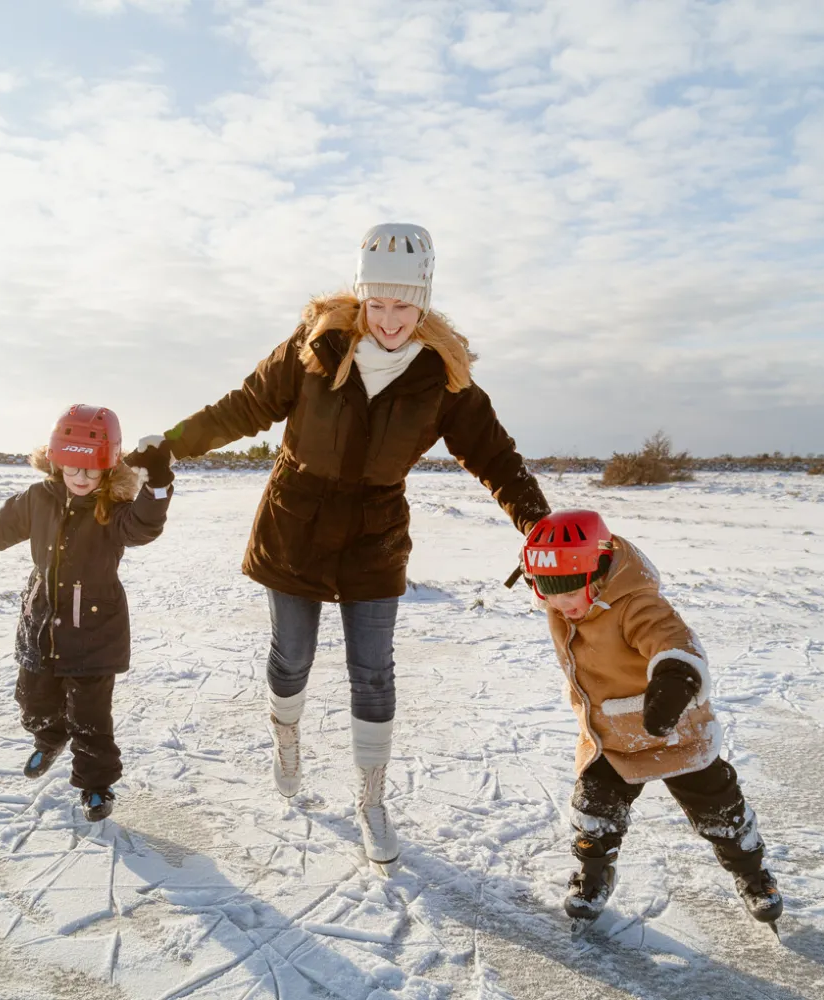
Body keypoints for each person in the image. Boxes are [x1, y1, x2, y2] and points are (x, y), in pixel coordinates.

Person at [128, 223, 550, 867]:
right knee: (291, 658)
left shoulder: (443, 376)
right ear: (359, 297)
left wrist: (536, 521)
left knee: (373, 672)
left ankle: (371, 800)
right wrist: (172, 440)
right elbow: (243, 407)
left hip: (374, 533)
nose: (389, 320)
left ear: (424, 301)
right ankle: (286, 740)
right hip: (296, 519)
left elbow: (495, 454)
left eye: (403, 305)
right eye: (376, 303)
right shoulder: (316, 345)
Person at [0, 405, 174, 822]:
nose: (80, 478)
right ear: (56, 460)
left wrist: (159, 486)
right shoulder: (37, 499)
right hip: (42, 622)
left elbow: (143, 528)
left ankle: (96, 786)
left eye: (91, 471)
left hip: (95, 630)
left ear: (108, 468)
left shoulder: (115, 508)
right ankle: (49, 736)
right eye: (72, 468)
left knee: (91, 718)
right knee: (32, 700)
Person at [519, 509, 784, 927]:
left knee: (719, 808)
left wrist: (675, 676)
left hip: (673, 727)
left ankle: (753, 874)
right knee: (594, 809)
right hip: (611, 734)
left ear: (601, 567)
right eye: (547, 591)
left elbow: (672, 638)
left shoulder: (635, 602)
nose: (561, 603)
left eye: (570, 589)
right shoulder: (564, 599)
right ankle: (593, 875)